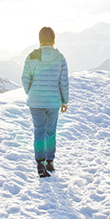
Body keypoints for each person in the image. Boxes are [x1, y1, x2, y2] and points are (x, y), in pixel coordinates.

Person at [21, 26, 69, 178]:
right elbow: (64, 82)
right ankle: (50, 162)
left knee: (39, 130)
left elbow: (25, 78)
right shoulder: (60, 57)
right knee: (51, 132)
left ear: (40, 38)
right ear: (53, 39)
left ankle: (40, 162)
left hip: (35, 101)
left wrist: (32, 92)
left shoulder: (31, 56)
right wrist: (64, 101)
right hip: (53, 101)